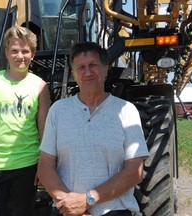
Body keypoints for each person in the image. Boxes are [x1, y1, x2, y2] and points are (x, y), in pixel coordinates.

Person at [37, 42, 149, 216]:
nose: (87, 72)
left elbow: (135, 172)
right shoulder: (58, 110)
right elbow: (45, 168)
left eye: (93, 65)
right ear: (73, 73)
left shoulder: (126, 111)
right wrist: (71, 206)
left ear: (105, 69)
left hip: (115, 210)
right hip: (66, 211)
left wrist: (87, 200)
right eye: (81, 67)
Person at [0, 25, 51, 216]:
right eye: (14, 51)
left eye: (25, 51)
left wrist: (44, 164)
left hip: (28, 163)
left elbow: (44, 129)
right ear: (6, 53)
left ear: (32, 54)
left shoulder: (40, 86)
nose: (20, 56)